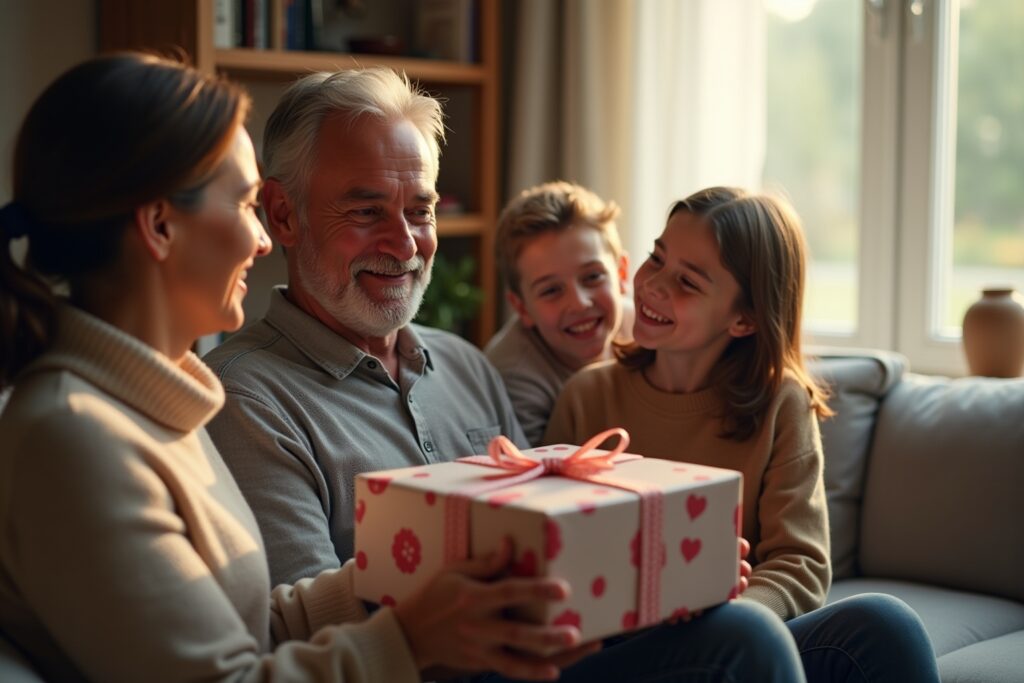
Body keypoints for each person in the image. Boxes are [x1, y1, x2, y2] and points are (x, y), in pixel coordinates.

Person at [0, 53, 598, 683]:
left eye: (419, 210)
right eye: (244, 205)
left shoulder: (154, 407)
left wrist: (429, 580)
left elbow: (256, 622)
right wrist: (412, 636)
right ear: (158, 226)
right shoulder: (73, 435)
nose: (261, 240)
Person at [544, 186, 941, 682]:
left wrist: (728, 613)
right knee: (746, 637)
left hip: (734, 632)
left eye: (687, 281)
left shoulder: (781, 403)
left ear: (744, 319)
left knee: (885, 624)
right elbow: (552, 548)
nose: (653, 284)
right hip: (620, 649)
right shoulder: (587, 396)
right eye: (657, 257)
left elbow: (800, 562)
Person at [203, 67, 527, 588]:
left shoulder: (468, 365)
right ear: (283, 215)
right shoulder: (243, 400)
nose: (405, 245)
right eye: (367, 211)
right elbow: (309, 625)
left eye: (420, 211)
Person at [485, 181, 632, 445]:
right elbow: (534, 465)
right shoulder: (515, 377)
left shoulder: (646, 329)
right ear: (521, 307)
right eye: (551, 290)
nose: (579, 303)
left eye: (593, 277)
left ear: (621, 273)